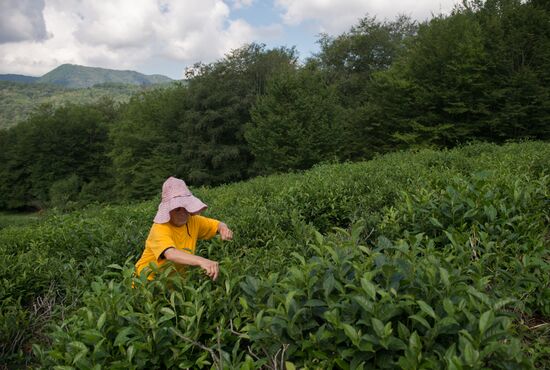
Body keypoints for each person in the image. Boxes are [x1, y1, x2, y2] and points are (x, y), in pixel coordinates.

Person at [135, 176, 233, 281]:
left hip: (174, 285)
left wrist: (224, 229)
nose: (183, 212)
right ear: (168, 210)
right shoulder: (160, 228)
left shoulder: (193, 220)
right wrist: (202, 261)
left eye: (185, 207)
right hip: (147, 284)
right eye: (177, 209)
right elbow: (170, 253)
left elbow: (217, 224)